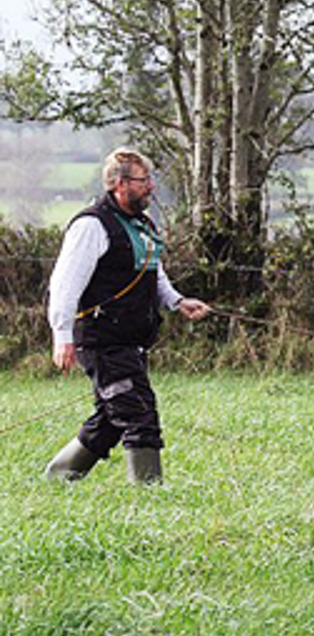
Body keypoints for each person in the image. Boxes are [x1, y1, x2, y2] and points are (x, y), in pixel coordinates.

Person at [45, 147, 211, 484]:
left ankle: (59, 477)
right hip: (102, 340)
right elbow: (64, 285)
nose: (151, 186)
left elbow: (152, 271)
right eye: (143, 180)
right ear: (119, 184)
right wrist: (62, 336)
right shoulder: (91, 226)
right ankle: (150, 496)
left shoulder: (140, 225)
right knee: (138, 412)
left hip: (130, 340)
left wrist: (177, 301)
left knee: (112, 417)